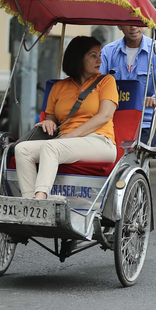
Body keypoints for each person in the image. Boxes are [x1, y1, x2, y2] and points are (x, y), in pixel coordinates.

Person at [15, 36, 118, 199]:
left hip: (100, 141)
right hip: (64, 143)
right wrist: (49, 121)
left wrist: (68, 137)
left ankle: (40, 200)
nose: (100, 60)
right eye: (93, 56)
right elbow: (52, 118)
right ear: (78, 58)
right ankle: (29, 202)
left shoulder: (106, 81)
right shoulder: (59, 87)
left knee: (50, 147)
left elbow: (104, 116)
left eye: (100, 55)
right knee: (22, 150)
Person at [100, 25, 156, 146]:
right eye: (128, 23)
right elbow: (98, 83)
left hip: (145, 121)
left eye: (138, 22)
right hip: (114, 119)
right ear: (119, 26)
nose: (133, 27)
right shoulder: (108, 51)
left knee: (137, 159)